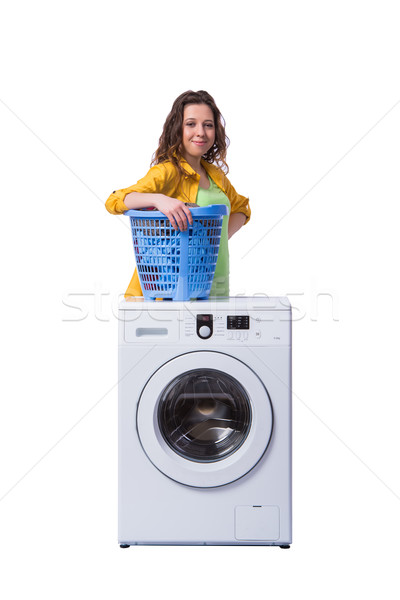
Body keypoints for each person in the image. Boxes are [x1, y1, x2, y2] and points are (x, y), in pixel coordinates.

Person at [105, 90, 251, 298]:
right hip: (176, 291)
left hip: (217, 287)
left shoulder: (215, 175)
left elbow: (242, 208)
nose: (200, 132)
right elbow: (114, 200)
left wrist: (217, 238)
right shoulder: (167, 171)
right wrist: (159, 199)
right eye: (191, 124)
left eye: (208, 125)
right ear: (178, 129)